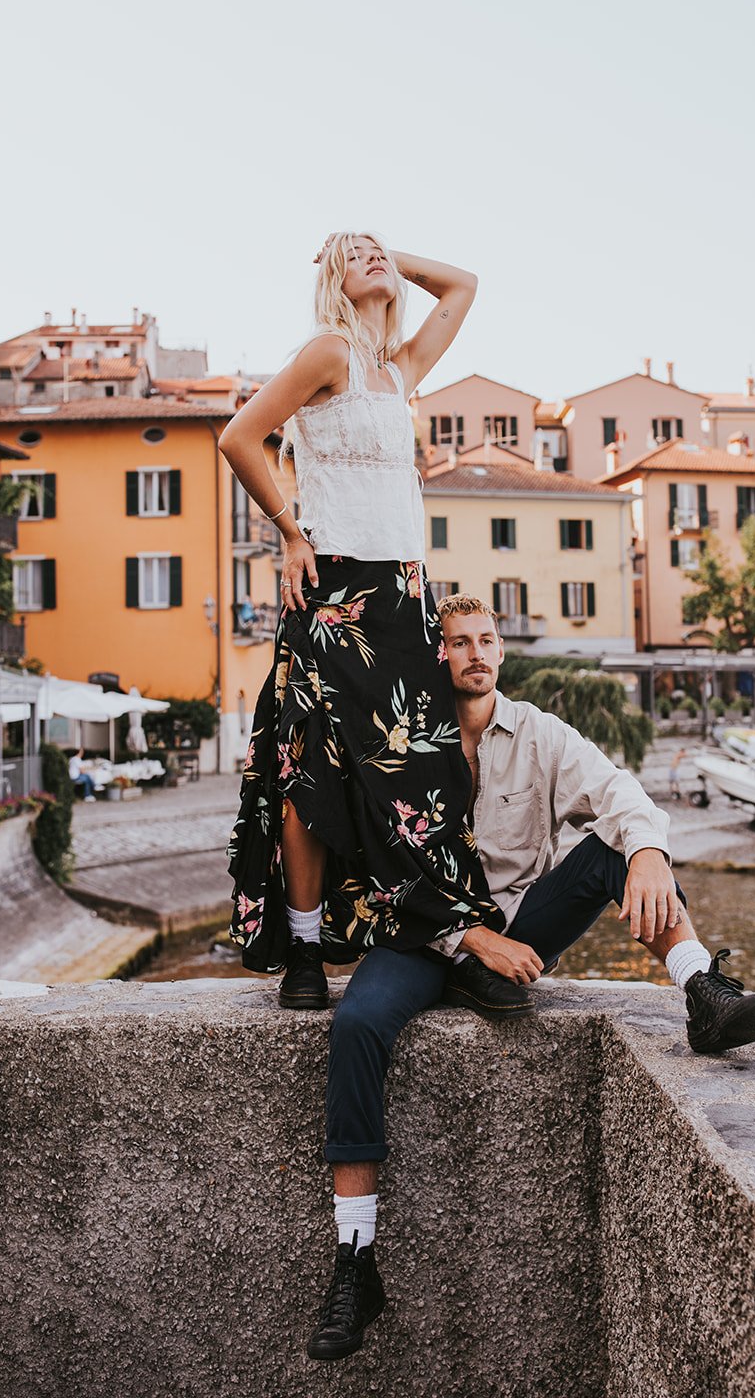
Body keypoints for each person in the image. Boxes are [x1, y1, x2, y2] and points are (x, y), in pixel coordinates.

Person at [306, 592, 755, 1362]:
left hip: (520, 937)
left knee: (614, 847)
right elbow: (377, 869)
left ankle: (700, 988)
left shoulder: (536, 733)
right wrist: (470, 938)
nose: (475, 653)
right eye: (457, 642)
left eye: (486, 639)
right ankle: (355, 1261)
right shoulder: (400, 740)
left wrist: (650, 851)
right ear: (437, 657)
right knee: (357, 1026)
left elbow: (619, 791)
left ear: (502, 650)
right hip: (421, 938)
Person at [218, 233, 505, 1000]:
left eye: (376, 252)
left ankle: (439, 930)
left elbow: (464, 286)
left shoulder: (397, 370)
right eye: (354, 254)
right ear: (330, 280)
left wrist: (384, 250)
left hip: (404, 594)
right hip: (334, 588)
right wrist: (288, 530)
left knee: (424, 771)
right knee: (311, 778)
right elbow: (238, 436)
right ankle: (307, 953)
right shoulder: (327, 353)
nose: (373, 260)